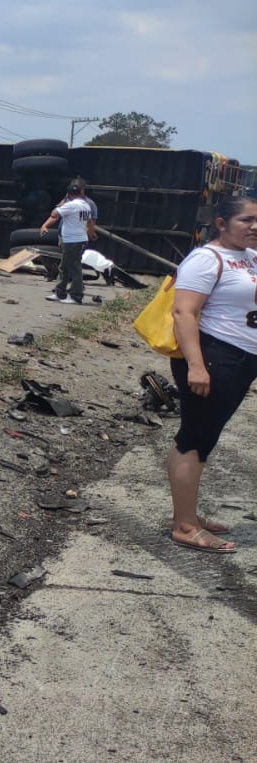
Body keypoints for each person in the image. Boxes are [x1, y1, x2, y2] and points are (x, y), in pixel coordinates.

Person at [162, 195, 257, 554]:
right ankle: (185, 526)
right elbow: (184, 313)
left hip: (241, 358)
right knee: (197, 440)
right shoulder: (206, 258)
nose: (254, 227)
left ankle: (185, 516)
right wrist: (197, 366)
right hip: (213, 356)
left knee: (197, 436)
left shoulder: (248, 257)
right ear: (221, 223)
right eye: (246, 220)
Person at [40, 181, 96, 305]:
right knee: (64, 267)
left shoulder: (71, 205)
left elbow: (54, 213)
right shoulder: (85, 205)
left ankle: (76, 296)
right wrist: (92, 233)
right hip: (77, 239)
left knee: (74, 268)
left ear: (68, 194)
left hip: (73, 241)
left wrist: (63, 202)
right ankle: (60, 293)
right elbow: (90, 222)